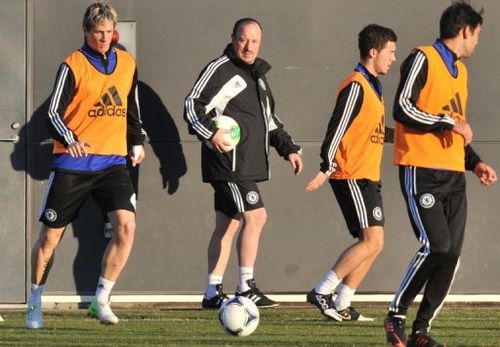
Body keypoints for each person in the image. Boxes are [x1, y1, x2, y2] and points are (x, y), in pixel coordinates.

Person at [26, 2, 146, 329]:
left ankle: (101, 300)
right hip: (72, 163)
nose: (104, 38)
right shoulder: (72, 65)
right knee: (50, 239)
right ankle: (34, 301)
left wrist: (137, 141)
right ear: (86, 32)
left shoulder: (127, 63)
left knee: (126, 227)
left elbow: (131, 108)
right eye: (98, 33)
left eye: (108, 32)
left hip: (112, 163)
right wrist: (71, 136)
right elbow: (52, 113)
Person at [384, 2, 497, 346]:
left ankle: (421, 331)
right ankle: (395, 316)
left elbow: (456, 126)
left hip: (453, 174)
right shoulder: (423, 57)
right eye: (477, 34)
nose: (478, 42)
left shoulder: (461, 72)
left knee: (451, 253)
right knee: (436, 245)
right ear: (465, 31)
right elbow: (402, 108)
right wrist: (450, 123)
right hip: (422, 169)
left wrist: (475, 161)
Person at [184, 18, 303, 309]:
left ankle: (212, 293)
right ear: (233, 38)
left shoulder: (258, 76)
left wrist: (289, 149)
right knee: (256, 216)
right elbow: (191, 104)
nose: (248, 46)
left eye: (254, 41)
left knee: (226, 225)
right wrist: (209, 132)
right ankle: (246, 287)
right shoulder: (219, 69)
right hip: (228, 163)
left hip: (245, 164)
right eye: (243, 39)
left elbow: (269, 121)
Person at [305, 24, 397, 322]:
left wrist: (414, 135)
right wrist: (326, 166)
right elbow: (337, 128)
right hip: (351, 175)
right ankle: (322, 291)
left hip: (369, 176)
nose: (393, 59)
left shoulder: (374, 87)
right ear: (374, 52)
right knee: (370, 241)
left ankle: (343, 301)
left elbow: (376, 131)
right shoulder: (356, 85)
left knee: (376, 243)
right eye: (390, 52)